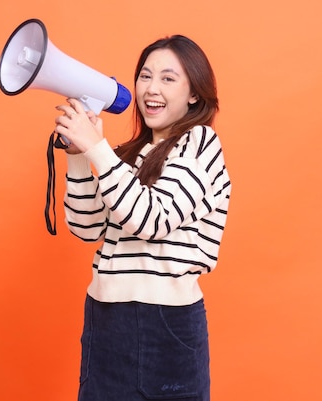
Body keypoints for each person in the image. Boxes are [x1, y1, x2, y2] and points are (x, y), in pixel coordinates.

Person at [53, 34, 231, 401]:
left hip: (166, 325)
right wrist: (76, 154)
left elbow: (154, 219)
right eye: (146, 76)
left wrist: (98, 151)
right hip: (105, 320)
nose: (152, 88)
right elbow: (87, 227)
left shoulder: (200, 143)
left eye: (168, 78)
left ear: (194, 94)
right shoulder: (127, 156)